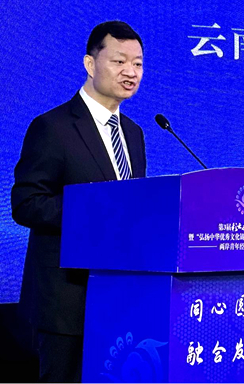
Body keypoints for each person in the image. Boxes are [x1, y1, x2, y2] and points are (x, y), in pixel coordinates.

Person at [11, 21, 147, 382]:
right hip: (66, 302)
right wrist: (93, 214)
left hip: (120, 297)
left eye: (137, 64)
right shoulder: (52, 127)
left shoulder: (134, 134)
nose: (130, 72)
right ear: (90, 63)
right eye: (119, 61)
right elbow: (26, 202)